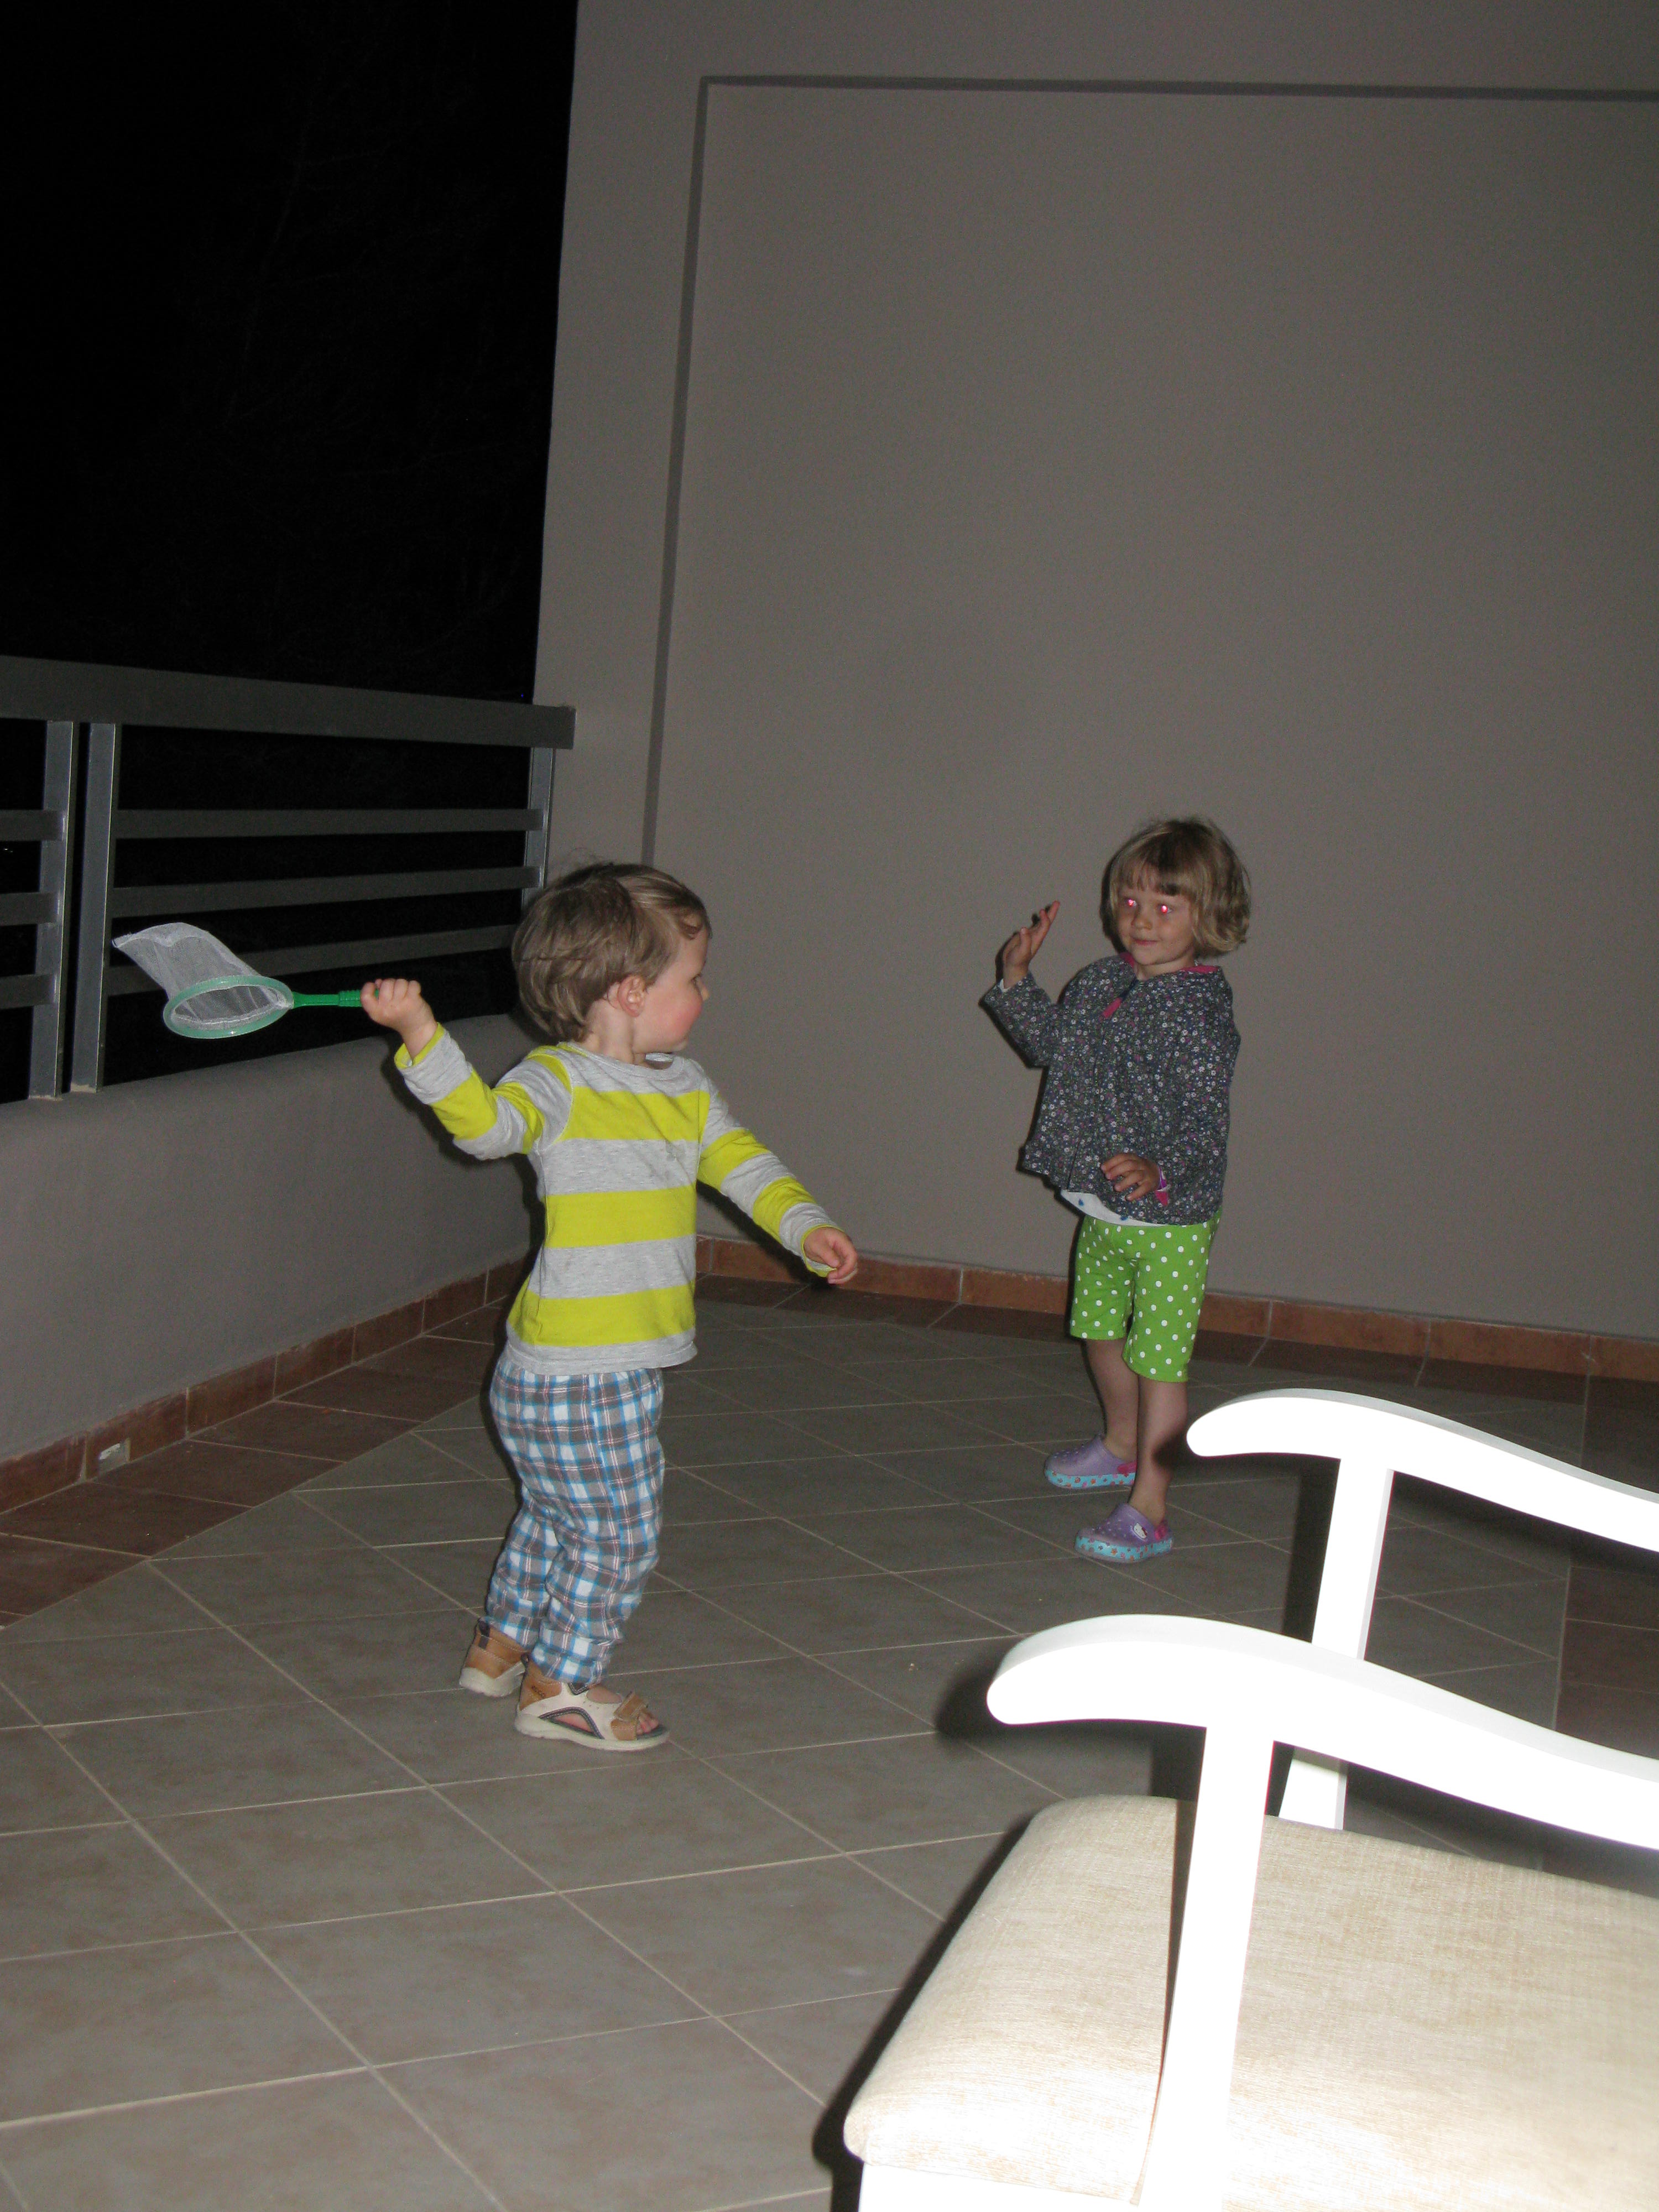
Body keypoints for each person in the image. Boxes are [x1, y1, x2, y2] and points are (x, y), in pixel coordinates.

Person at [362, 863, 859, 1749]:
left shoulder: (684, 1087)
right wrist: (420, 1034)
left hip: (575, 1365)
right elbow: (484, 1129)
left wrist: (805, 1225)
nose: (706, 993)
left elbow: (743, 1163)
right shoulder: (555, 1081)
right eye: (693, 977)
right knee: (619, 1534)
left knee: (559, 1514)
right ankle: (562, 1684)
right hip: (584, 1371)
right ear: (631, 991)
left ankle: (502, 1647)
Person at [982, 817, 1249, 1563]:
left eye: (1166, 906)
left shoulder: (1201, 1013)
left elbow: (1205, 1121)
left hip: (1169, 1222)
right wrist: (1015, 980)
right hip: (1099, 1208)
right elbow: (1049, 1046)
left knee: (1159, 1364)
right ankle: (1122, 1443)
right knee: (1100, 1335)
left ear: (1207, 914)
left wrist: (1162, 1170)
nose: (1143, 920)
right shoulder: (1101, 981)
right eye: (1131, 902)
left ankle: (1150, 1506)